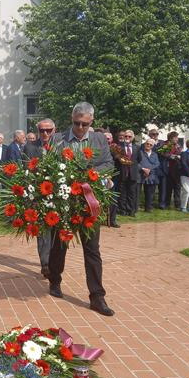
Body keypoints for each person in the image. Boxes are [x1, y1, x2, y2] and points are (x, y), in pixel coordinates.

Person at [49, 102, 115, 316]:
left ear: (91, 122)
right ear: (72, 118)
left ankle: (97, 297)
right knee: (60, 245)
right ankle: (55, 280)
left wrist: (89, 174)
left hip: (89, 202)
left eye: (84, 124)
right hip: (65, 203)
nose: (79, 127)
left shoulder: (98, 140)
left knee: (93, 250)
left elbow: (108, 164)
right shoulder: (58, 139)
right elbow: (47, 165)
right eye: (76, 123)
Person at [23, 118, 55, 277]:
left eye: (49, 130)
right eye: (42, 130)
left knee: (56, 231)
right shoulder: (29, 148)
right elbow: (26, 171)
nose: (45, 133)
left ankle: (55, 261)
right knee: (42, 231)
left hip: (57, 196)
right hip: (37, 195)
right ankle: (45, 263)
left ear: (54, 130)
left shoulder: (60, 147)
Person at [118, 130, 140, 216]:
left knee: (132, 193)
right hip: (122, 173)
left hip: (133, 174)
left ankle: (131, 210)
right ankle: (123, 210)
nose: (127, 138)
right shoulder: (119, 147)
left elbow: (139, 159)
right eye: (126, 136)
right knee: (122, 193)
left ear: (133, 138)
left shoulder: (137, 147)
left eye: (129, 136)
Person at [159, 131, 181, 210]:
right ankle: (166, 203)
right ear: (171, 138)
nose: (177, 139)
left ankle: (177, 204)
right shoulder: (166, 144)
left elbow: (180, 153)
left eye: (177, 138)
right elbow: (161, 153)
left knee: (177, 187)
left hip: (176, 169)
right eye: (176, 138)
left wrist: (179, 155)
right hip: (167, 169)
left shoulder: (178, 146)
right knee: (167, 188)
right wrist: (173, 156)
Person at [138, 138, 160, 212]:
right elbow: (136, 163)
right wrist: (143, 169)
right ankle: (136, 207)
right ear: (145, 144)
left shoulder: (155, 154)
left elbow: (157, 164)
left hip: (151, 175)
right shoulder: (140, 152)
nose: (148, 145)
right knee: (137, 192)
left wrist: (149, 170)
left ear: (152, 146)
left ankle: (148, 208)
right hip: (140, 174)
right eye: (147, 144)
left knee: (150, 193)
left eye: (151, 145)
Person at [103, 131, 120, 228]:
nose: (106, 140)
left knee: (113, 199)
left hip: (112, 177)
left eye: (108, 138)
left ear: (111, 140)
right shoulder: (98, 148)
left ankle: (112, 220)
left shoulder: (115, 149)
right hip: (98, 176)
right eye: (105, 138)